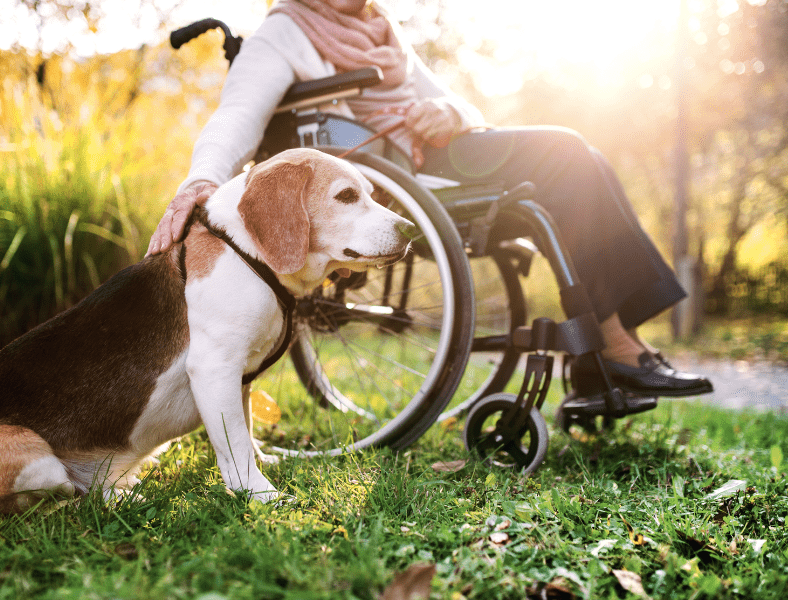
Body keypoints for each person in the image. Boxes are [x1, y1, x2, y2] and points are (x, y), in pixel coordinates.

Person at [146, 0, 712, 399]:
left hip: (433, 154)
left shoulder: (383, 32)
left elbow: (459, 107)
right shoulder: (284, 33)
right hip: (385, 174)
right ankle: (612, 345)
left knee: (582, 159)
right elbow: (237, 116)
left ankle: (611, 342)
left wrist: (449, 114)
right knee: (566, 154)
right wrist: (201, 180)